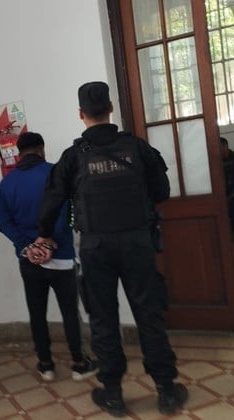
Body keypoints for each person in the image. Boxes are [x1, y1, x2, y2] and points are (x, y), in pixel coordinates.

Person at [31, 82, 188, 417]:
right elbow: (162, 191)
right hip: (137, 243)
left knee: (103, 319)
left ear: (81, 114)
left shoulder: (73, 157)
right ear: (111, 108)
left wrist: (44, 235)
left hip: (95, 247)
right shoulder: (137, 147)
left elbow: (51, 203)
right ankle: (165, 390)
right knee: (149, 315)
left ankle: (113, 394)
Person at [0, 131, 98, 382]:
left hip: (29, 260)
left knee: (37, 312)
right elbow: (69, 212)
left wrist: (29, 247)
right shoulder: (57, 173)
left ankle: (45, 364)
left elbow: (4, 224)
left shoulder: (5, 185)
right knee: (70, 312)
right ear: (42, 149)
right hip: (61, 256)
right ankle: (79, 363)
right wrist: (50, 241)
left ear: (19, 153)